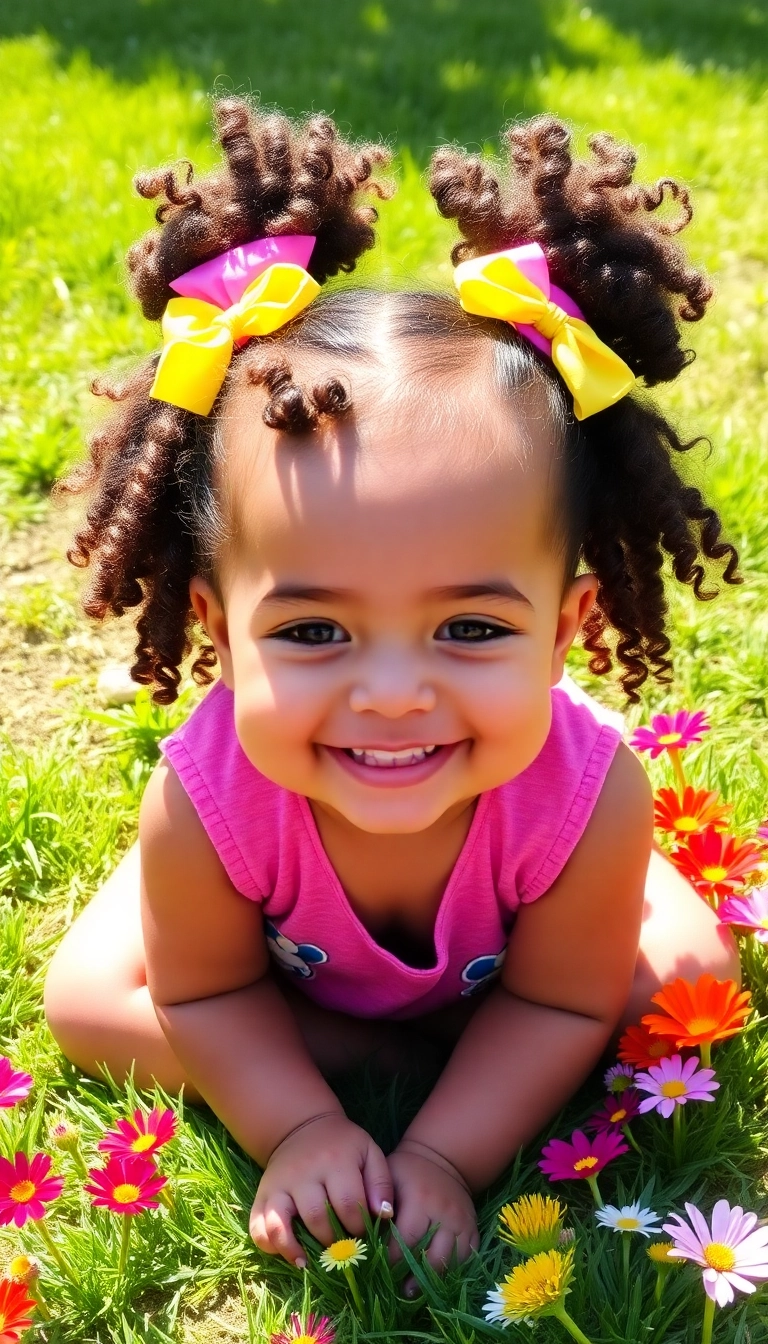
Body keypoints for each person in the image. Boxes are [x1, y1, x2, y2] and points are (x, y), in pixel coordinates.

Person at [44, 97, 742, 1274]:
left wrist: (444, 1154)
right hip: (241, 862)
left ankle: (454, 1006)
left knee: (683, 986)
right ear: (220, 631)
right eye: (313, 631)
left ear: (567, 629)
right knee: (89, 1002)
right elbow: (206, 996)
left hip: (549, 858)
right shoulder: (211, 805)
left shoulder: (584, 802)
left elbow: (566, 1005)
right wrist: (307, 1124)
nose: (392, 693)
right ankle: (352, 1021)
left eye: (470, 625)